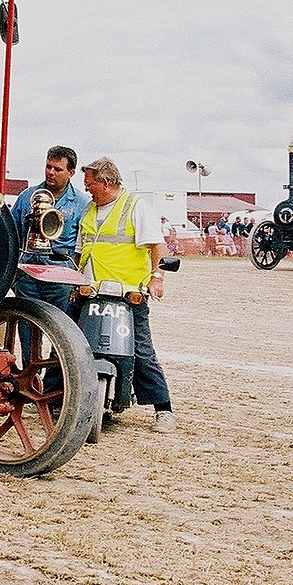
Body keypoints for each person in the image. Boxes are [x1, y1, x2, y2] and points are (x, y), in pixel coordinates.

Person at [76, 157, 176, 433]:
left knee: (141, 350)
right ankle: (59, 397)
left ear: (105, 183)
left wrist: (157, 279)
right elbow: (80, 250)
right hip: (91, 293)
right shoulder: (89, 210)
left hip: (128, 294)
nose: (87, 189)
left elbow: (157, 247)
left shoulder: (135, 207)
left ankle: (163, 408)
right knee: (73, 345)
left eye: (90, 184)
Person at [10, 145, 90, 315]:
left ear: (71, 172)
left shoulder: (82, 204)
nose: (51, 172)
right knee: (26, 323)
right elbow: (12, 233)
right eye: (48, 167)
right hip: (27, 275)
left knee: (62, 329)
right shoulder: (27, 196)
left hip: (60, 277)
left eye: (58, 169)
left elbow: (84, 245)